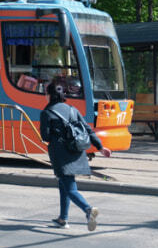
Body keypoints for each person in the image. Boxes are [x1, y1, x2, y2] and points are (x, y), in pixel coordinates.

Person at [40, 80, 111, 230]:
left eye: (46, 94)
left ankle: (88, 210)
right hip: (77, 152)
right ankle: (62, 219)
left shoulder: (47, 113)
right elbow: (88, 130)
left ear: (49, 95)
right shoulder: (73, 110)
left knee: (70, 188)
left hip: (61, 155)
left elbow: (45, 137)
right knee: (63, 184)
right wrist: (100, 147)